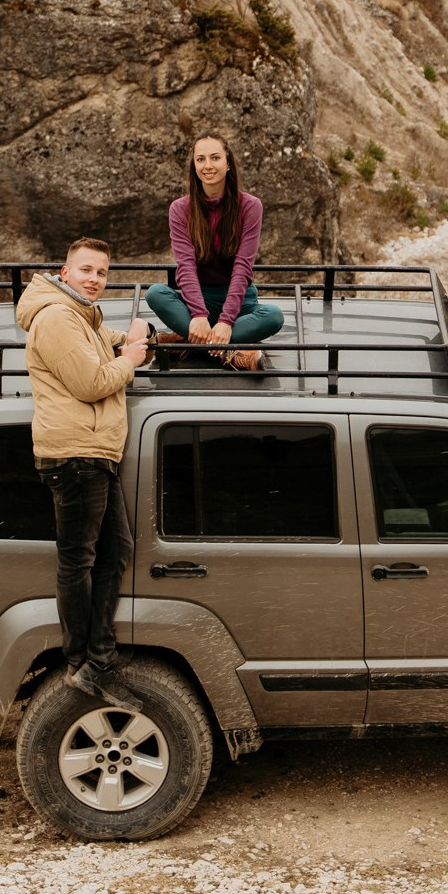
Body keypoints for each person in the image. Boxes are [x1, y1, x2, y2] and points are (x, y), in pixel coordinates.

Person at [15, 238, 149, 707]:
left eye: (102, 273)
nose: (95, 279)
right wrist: (130, 360)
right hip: (73, 455)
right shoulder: (55, 318)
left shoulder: (81, 317)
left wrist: (138, 334)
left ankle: (98, 658)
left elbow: (108, 346)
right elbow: (92, 382)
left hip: (93, 452)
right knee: (79, 560)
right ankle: (81, 663)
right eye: (86, 269)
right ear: (63, 271)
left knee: (116, 551)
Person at [144, 134, 284, 371]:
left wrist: (227, 321)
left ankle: (188, 342)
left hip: (240, 303)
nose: (207, 165)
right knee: (155, 293)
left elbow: (243, 267)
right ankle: (230, 352)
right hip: (197, 300)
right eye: (200, 159)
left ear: (228, 164)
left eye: (215, 158)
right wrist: (198, 314)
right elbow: (185, 265)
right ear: (194, 166)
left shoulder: (250, 206)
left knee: (274, 316)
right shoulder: (180, 209)